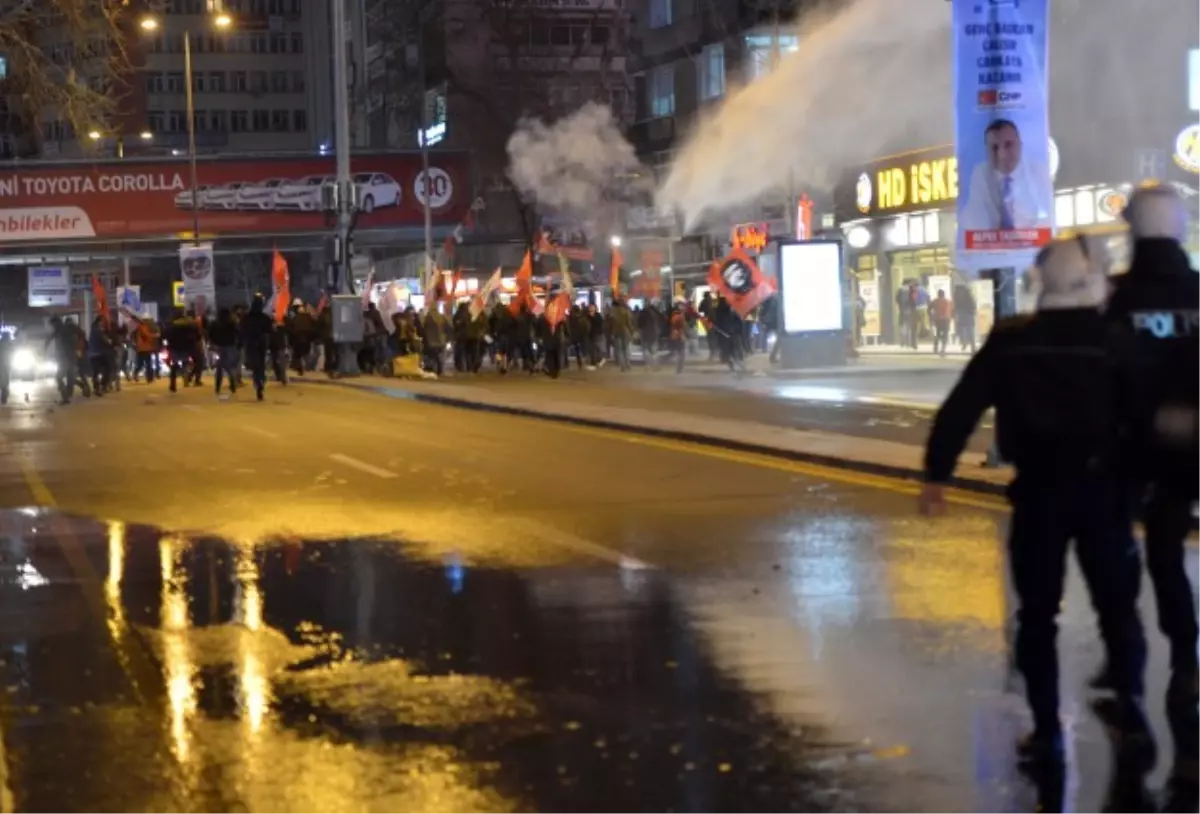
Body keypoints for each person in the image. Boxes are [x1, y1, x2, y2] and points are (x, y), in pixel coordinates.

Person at [923, 235, 1156, 766]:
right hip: (1104, 495)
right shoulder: (1114, 339)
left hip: (1038, 496)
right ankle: (1135, 714)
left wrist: (938, 473)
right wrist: (1144, 487)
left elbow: (962, 408)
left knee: (1036, 618)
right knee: (1118, 613)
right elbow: (1143, 421)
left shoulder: (1010, 341)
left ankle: (1047, 729)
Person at [1103, 184, 1200, 722]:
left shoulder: (1117, 299)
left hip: (1139, 451)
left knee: (1137, 556)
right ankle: (1184, 659)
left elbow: (1100, 380)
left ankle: (1136, 659)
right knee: (1163, 556)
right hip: (1195, 444)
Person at [959, 119, 1054, 233]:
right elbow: (972, 220)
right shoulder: (980, 173)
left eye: (1008, 145)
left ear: (1020, 144)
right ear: (987, 151)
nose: (1001, 155)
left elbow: (1047, 221)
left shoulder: (1039, 173)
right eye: (994, 148)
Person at [239, 295, 274, 400]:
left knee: (255, 365)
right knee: (261, 364)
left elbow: (242, 331)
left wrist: (241, 342)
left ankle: (258, 382)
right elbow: (270, 330)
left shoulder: (246, 318)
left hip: (251, 343)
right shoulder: (265, 318)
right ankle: (260, 382)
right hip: (261, 343)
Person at [163, 307, 200, 393]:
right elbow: (197, 335)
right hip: (187, 346)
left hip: (174, 347)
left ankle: (173, 384)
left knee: (174, 364)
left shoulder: (172, 325)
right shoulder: (190, 324)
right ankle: (185, 375)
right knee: (186, 362)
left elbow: (165, 334)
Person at [45, 316, 79, 404]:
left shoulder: (60, 331)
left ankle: (65, 397)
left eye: (52, 325)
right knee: (69, 377)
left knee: (59, 377)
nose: (51, 327)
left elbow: (49, 339)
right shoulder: (64, 331)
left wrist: (44, 348)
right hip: (70, 357)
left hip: (65, 358)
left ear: (55, 323)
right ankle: (67, 396)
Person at [208, 307, 240, 397]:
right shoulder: (232, 323)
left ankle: (218, 387)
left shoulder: (214, 323)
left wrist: (212, 344)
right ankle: (233, 384)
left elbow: (210, 334)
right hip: (230, 346)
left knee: (219, 367)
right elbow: (237, 333)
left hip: (218, 347)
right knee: (229, 366)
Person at [608, 297, 634, 372]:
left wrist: (611, 333)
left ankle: (623, 366)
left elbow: (610, 325)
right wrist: (632, 332)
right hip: (625, 332)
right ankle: (628, 364)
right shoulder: (626, 312)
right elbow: (629, 323)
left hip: (616, 333)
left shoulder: (612, 313)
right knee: (625, 349)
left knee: (619, 350)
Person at [929, 289, 953, 356]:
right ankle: (943, 349)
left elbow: (929, 309)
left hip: (938, 319)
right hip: (946, 319)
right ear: (944, 294)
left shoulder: (935, 301)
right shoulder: (948, 301)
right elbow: (953, 310)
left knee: (938, 333)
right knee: (945, 334)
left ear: (938, 294)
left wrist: (931, 316)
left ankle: (935, 347)